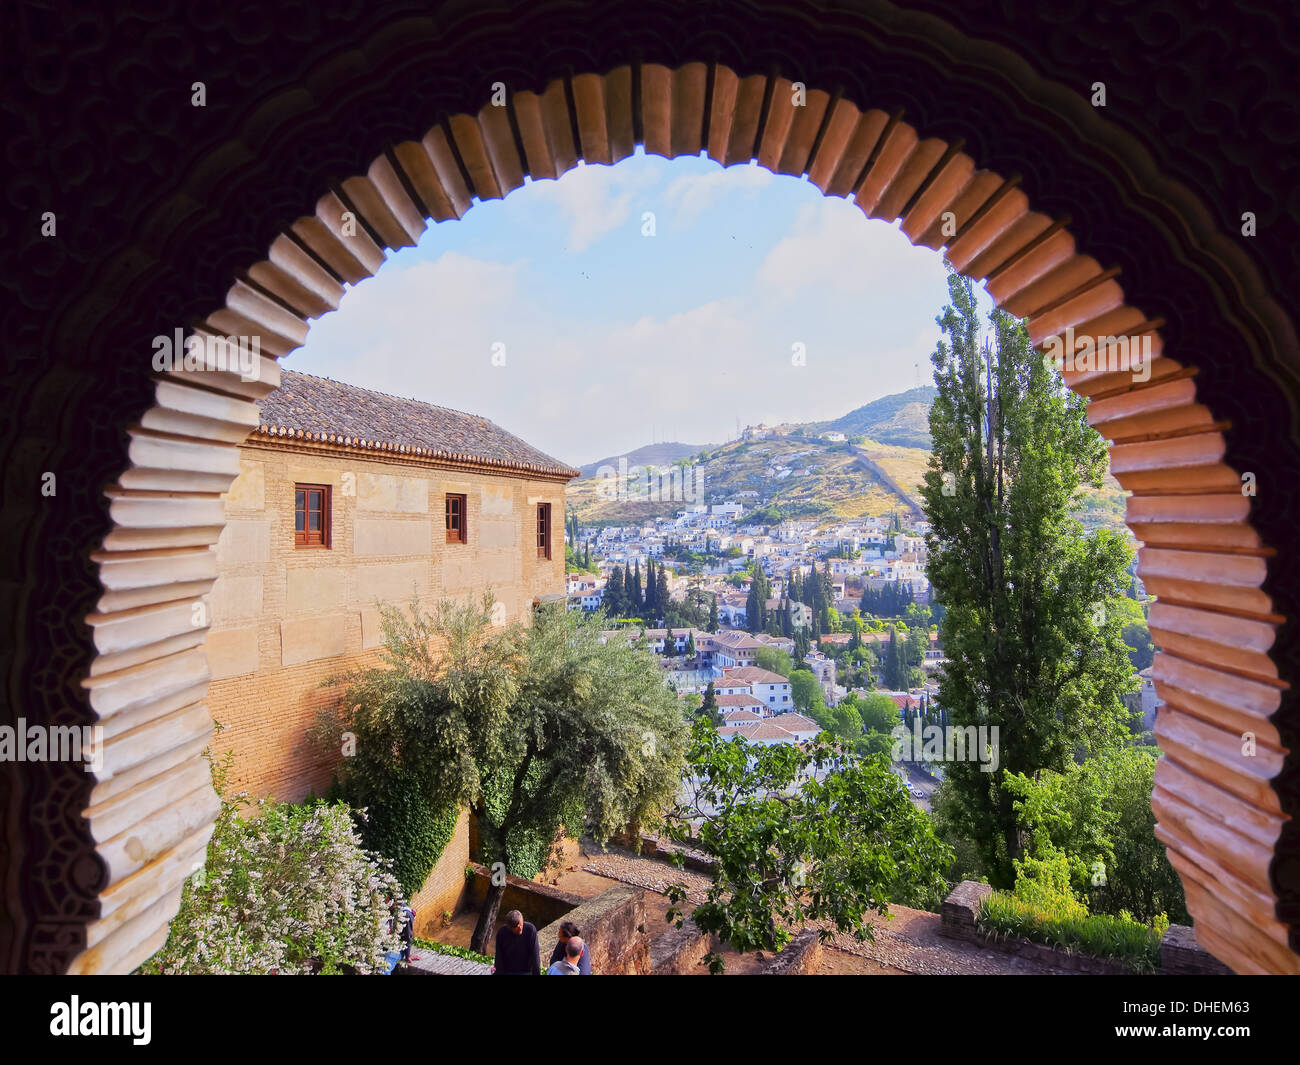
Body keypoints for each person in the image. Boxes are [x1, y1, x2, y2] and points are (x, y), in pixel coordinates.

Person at [492, 909, 541, 975]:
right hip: (507, 971)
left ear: (522, 920)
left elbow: (535, 957)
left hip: (525, 971)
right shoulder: (502, 932)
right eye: (517, 928)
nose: (520, 929)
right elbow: (498, 958)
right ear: (509, 928)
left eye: (521, 925)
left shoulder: (530, 930)